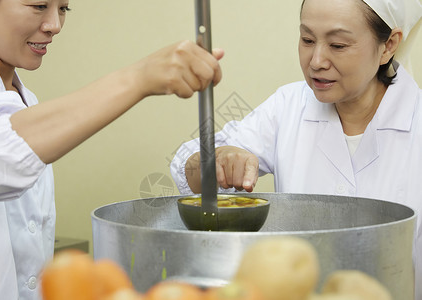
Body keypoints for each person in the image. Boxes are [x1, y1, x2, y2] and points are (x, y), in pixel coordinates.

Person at [0, 0, 223, 299]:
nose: (55, 25)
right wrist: (139, 77)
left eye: (64, 8)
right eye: (39, 5)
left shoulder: (24, 99)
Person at [170, 0, 422, 298]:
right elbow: (188, 170)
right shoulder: (288, 106)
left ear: (388, 45)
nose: (316, 61)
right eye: (307, 40)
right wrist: (218, 161)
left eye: (338, 45)